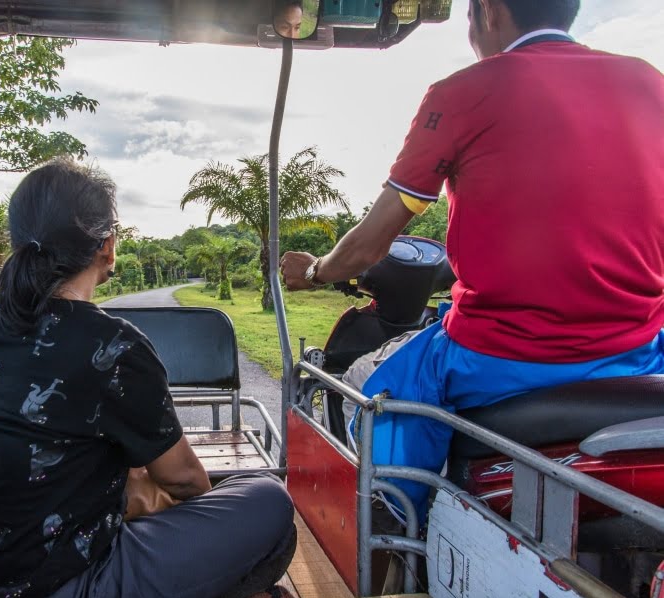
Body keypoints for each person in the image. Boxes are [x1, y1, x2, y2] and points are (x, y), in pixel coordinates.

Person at [280, 0, 664, 522]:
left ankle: (391, 539)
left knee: (373, 392)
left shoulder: (460, 92)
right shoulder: (649, 82)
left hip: (497, 355)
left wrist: (313, 271)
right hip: (639, 352)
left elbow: (370, 246)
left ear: (488, 11)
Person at [0, 158, 297, 598]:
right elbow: (183, 478)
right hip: (75, 582)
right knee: (269, 502)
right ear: (107, 245)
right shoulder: (115, 345)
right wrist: (193, 511)